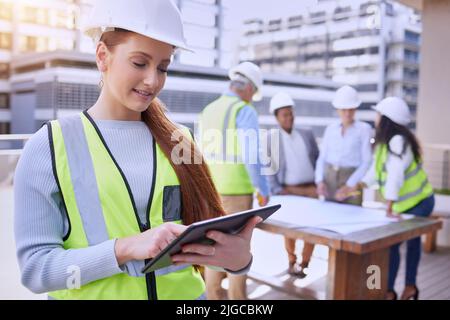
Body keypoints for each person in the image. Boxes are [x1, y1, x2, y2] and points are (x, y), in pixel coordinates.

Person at [14, 0, 261, 300]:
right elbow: (37, 272)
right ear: (103, 56)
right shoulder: (50, 146)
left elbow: (207, 240)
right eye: (139, 63)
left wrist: (239, 261)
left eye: (163, 67)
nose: (152, 80)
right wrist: (125, 248)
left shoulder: (180, 140)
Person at [337, 97, 435, 300]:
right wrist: (355, 186)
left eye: (379, 114)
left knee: (400, 243)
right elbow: (375, 172)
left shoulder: (398, 142)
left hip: (420, 202)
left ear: (387, 118)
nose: (376, 118)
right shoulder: (385, 144)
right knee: (399, 244)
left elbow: (395, 177)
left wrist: (389, 207)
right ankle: (393, 290)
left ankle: (401, 289)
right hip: (405, 204)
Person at [198, 61, 270, 300]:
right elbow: (252, 155)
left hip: (210, 192)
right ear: (249, 88)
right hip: (237, 193)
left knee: (211, 251)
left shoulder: (208, 110)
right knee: (238, 251)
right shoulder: (244, 110)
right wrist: (263, 188)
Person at [267, 92, 319, 278]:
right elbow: (270, 169)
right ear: (277, 117)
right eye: (284, 115)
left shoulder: (307, 133)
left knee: (311, 228)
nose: (289, 118)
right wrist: (279, 191)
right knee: (291, 230)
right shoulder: (271, 139)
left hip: (311, 188)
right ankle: (292, 261)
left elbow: (317, 158)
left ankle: (305, 263)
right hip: (289, 191)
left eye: (291, 114)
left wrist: (319, 183)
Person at [315, 85, 372, 205]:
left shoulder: (364, 129)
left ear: (355, 108)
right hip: (329, 179)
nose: (347, 113)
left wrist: (350, 184)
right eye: (344, 109)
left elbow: (367, 161)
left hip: (352, 179)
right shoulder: (330, 129)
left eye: (351, 109)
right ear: (337, 109)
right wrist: (319, 181)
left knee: (353, 215)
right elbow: (322, 158)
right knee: (329, 215)